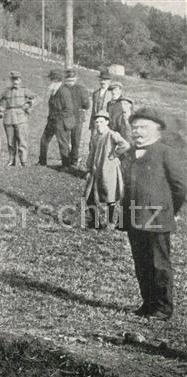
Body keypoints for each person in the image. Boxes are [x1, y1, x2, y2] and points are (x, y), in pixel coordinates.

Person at [120, 108, 187, 320]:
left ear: (157, 130)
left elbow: (180, 187)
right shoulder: (129, 153)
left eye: (143, 127)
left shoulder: (165, 152)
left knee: (159, 264)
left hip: (158, 218)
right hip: (134, 218)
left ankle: (163, 307)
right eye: (135, 127)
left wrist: (170, 211)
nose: (137, 132)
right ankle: (148, 304)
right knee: (141, 263)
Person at [83, 110, 130, 229]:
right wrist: (89, 168)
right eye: (97, 122)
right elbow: (91, 153)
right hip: (96, 170)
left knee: (110, 196)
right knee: (89, 195)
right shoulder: (95, 137)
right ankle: (95, 221)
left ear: (107, 122)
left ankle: (110, 223)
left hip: (109, 169)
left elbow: (125, 145)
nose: (98, 124)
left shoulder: (112, 134)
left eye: (101, 121)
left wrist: (114, 154)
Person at [0, 71, 35, 167]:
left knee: (22, 140)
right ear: (11, 80)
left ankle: (23, 161)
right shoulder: (6, 91)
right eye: (13, 79)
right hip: (8, 118)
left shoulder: (24, 90)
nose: (15, 81)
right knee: (10, 141)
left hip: (21, 118)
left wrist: (28, 105)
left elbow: (36, 98)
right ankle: (11, 160)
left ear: (20, 80)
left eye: (17, 79)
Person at [39, 69, 75, 167]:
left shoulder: (64, 91)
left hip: (61, 122)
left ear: (55, 80)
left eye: (50, 80)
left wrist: (58, 118)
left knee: (63, 144)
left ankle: (66, 165)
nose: (49, 82)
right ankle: (42, 162)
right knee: (43, 140)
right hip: (52, 121)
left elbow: (69, 109)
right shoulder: (54, 91)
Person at [64, 69, 90, 167]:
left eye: (72, 80)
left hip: (76, 118)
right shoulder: (79, 89)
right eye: (68, 80)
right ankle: (70, 160)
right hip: (69, 118)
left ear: (75, 79)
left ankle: (72, 159)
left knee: (74, 140)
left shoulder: (80, 89)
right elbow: (86, 104)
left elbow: (86, 104)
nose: (70, 82)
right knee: (71, 139)